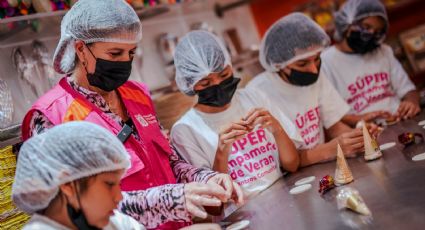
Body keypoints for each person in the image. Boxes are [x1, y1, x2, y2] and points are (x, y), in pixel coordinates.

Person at [20, 0, 242, 228]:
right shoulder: (52, 116)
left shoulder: (137, 94)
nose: (125, 62)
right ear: (80, 49)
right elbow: (72, 207)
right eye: (115, 53)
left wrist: (206, 178)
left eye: (131, 52)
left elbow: (170, 162)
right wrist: (170, 199)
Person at [170, 31, 301, 198]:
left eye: (224, 75)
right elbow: (213, 202)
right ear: (190, 84)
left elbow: (292, 165)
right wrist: (222, 152)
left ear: (230, 65)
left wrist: (276, 128)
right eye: (205, 82)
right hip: (240, 215)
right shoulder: (185, 130)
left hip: (284, 196)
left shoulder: (254, 96)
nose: (218, 84)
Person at [247, 13, 365, 167]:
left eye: (316, 58)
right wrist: (332, 149)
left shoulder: (316, 77)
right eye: (302, 64)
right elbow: (285, 163)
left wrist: (358, 138)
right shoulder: (258, 93)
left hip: (323, 166)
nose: (314, 70)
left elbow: (334, 126)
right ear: (278, 65)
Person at [13, 121, 144, 230]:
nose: (119, 197)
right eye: (109, 184)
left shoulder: (116, 223)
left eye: (118, 184)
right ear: (68, 184)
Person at [321, 0, 420, 126]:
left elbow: (409, 90)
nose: (371, 34)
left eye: (377, 31)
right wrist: (361, 119)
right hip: (365, 131)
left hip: (400, 120)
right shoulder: (325, 63)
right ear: (346, 24)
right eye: (366, 27)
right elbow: (332, 116)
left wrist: (412, 103)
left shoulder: (383, 51)